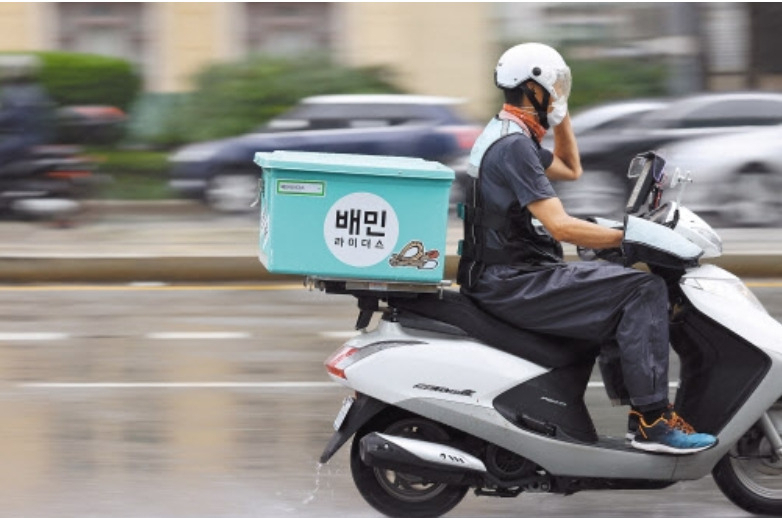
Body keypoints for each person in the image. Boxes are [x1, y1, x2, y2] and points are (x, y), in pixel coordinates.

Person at [457, 42, 716, 455]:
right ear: (533, 88)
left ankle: (640, 411)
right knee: (641, 289)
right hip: (513, 281)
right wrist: (637, 236)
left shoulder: (508, 133)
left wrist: (559, 115)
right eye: (556, 86)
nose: (562, 93)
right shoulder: (514, 147)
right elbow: (560, 226)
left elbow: (570, 169)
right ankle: (651, 421)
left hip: (507, 274)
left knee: (615, 285)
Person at [0, 54, 53, 172]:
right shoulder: (35, 89)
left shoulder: (18, 94)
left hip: (24, 139)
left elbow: (12, 116)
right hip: (32, 137)